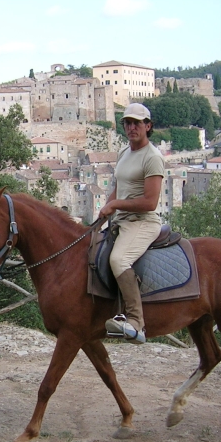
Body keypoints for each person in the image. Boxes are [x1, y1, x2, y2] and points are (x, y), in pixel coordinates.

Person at [98, 102, 166, 344]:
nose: (131, 127)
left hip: (143, 222)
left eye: (137, 123)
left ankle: (136, 323)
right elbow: (119, 188)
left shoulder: (153, 157)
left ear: (148, 126)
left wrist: (115, 206)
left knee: (119, 259)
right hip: (122, 221)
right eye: (127, 123)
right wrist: (105, 209)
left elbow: (149, 202)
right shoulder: (124, 153)